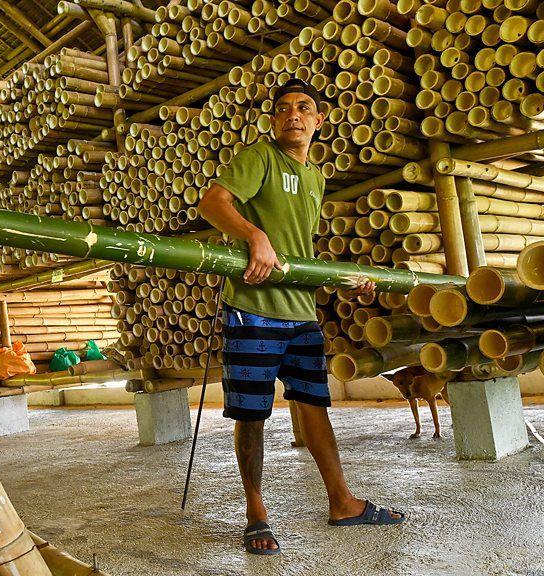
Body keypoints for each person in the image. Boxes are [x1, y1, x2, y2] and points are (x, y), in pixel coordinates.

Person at [197, 79, 405, 556]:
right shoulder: (259, 158)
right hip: (253, 311)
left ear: (318, 121)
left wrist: (344, 277)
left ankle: (342, 502)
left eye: (303, 108)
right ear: (274, 120)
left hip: (300, 312)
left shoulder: (315, 178)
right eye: (284, 109)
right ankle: (256, 513)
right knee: (251, 415)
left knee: (314, 406)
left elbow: (298, 252)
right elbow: (211, 203)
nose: (293, 114)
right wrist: (254, 235)